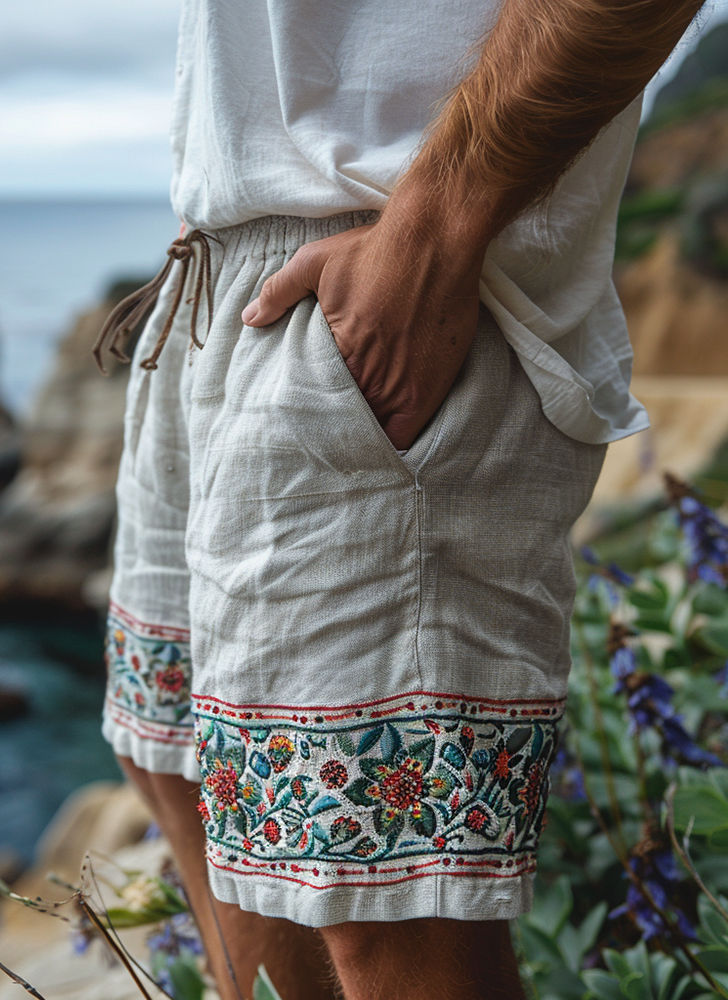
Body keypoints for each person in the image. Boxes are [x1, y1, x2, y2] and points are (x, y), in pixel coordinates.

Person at [94, 2, 707, 997]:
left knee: (382, 898)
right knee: (189, 776)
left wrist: (433, 226)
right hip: (224, 279)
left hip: (397, 270)